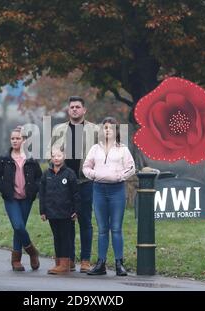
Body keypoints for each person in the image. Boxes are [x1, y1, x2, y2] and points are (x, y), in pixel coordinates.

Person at [50, 96, 99, 272]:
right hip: (65, 183)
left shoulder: (95, 130)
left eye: (78, 107)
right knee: (66, 221)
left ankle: (85, 260)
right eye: (72, 107)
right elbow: (53, 155)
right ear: (68, 110)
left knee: (85, 220)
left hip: (85, 181)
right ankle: (68, 259)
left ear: (84, 110)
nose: (75, 110)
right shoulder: (59, 130)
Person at [83, 117, 135, 276]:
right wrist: (94, 175)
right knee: (102, 229)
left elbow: (131, 168)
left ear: (116, 131)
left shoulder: (123, 149)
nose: (107, 130)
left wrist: (120, 177)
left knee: (116, 228)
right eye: (105, 127)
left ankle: (119, 264)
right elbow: (86, 167)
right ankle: (101, 264)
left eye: (111, 128)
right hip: (98, 190)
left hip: (117, 191)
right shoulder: (95, 149)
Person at [0, 127, 42, 271]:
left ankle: (16, 260)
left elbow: (39, 177)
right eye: (12, 138)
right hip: (11, 198)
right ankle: (32, 252)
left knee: (19, 229)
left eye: (18, 138)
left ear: (24, 140)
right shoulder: (4, 159)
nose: (14, 141)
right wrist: (4, 189)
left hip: (26, 199)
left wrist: (34, 190)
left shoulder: (31, 159)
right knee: (18, 226)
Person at [40, 148, 81, 275]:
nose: (56, 158)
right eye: (54, 155)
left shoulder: (69, 174)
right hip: (52, 212)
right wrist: (43, 211)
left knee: (65, 238)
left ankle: (65, 263)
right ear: (51, 158)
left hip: (66, 213)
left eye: (59, 155)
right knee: (56, 237)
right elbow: (42, 194)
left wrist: (76, 210)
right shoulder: (47, 174)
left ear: (64, 156)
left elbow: (75, 194)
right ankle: (58, 262)